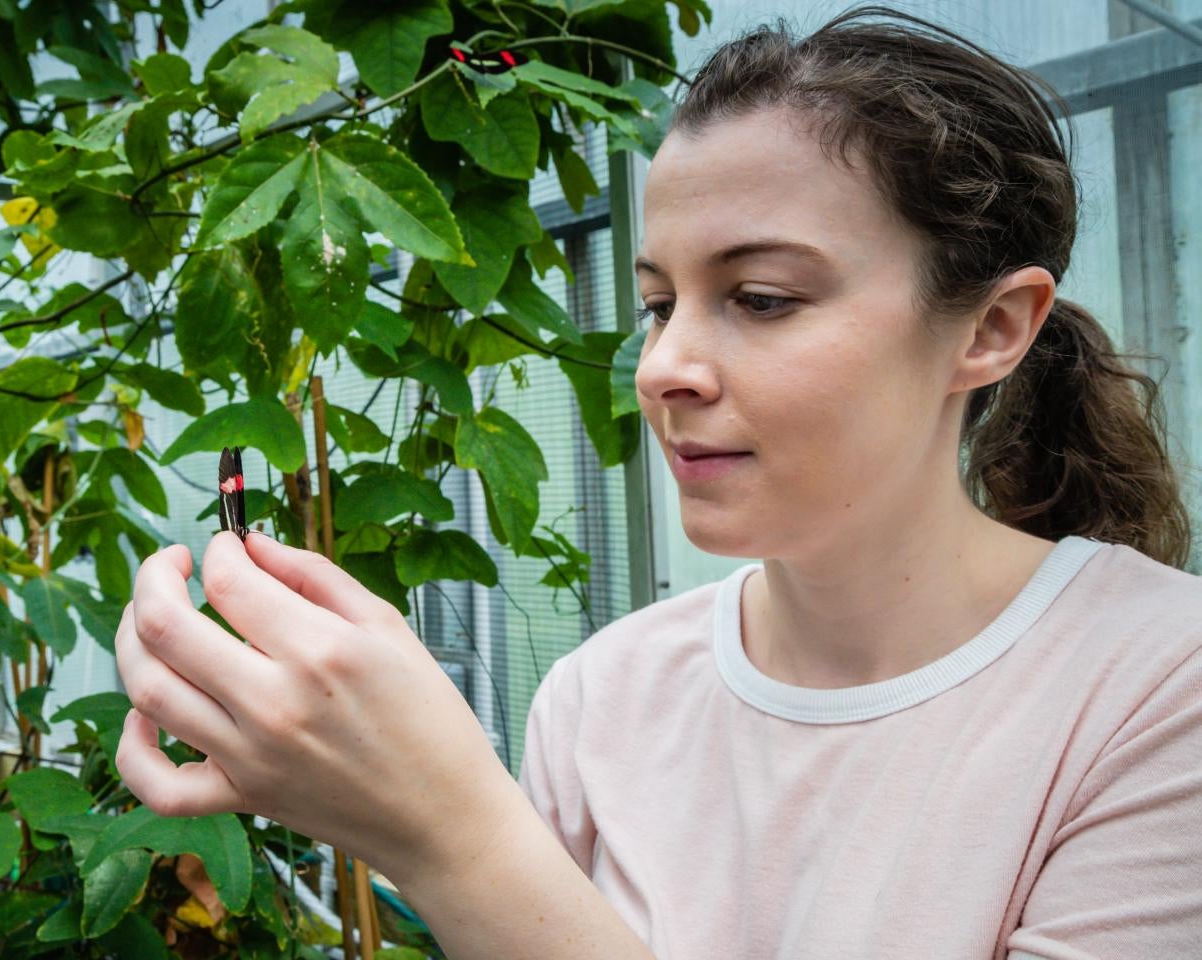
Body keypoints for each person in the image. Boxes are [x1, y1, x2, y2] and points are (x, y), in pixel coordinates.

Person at [111, 6, 1202, 960]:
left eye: (763, 297)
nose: (665, 367)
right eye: (657, 304)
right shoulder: (604, 697)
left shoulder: (1158, 691)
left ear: (993, 327)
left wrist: (449, 835)